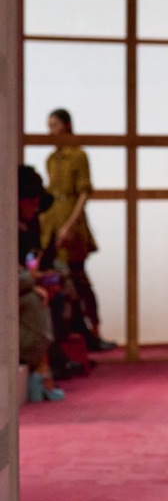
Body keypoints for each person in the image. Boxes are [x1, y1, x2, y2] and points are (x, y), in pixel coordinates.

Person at [39, 108, 116, 351]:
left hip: (71, 219)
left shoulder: (78, 155)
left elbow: (84, 192)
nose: (51, 130)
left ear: (66, 125)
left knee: (79, 278)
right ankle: (73, 334)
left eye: (54, 125)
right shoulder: (52, 158)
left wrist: (70, 224)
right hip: (52, 219)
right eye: (49, 125)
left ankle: (94, 332)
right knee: (59, 278)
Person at [17, 166, 65, 402]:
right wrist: (33, 280)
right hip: (16, 290)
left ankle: (46, 365)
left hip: (21, 284)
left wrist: (41, 277)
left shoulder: (30, 226)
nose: (35, 207)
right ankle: (43, 367)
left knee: (55, 293)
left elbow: (29, 262)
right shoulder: (11, 228)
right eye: (31, 201)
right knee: (37, 300)